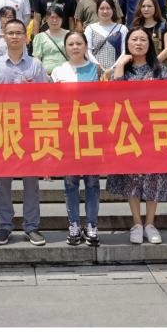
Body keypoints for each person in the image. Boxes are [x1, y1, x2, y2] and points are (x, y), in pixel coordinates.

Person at [105, 29, 167, 243]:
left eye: (143, 39)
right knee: (131, 178)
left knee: (154, 177)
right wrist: (119, 67)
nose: (138, 43)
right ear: (127, 43)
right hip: (128, 131)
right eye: (134, 39)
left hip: (154, 131)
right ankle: (136, 223)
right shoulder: (122, 69)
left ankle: (150, 223)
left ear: (149, 44)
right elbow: (113, 97)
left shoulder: (160, 70)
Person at [0, 17, 49, 246]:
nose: (14, 36)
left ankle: (31, 226)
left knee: (31, 181)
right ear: (3, 36)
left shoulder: (35, 65)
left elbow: (45, 98)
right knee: (3, 181)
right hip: (4, 128)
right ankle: (5, 226)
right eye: (10, 33)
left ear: (26, 37)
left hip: (30, 128)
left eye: (18, 33)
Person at [51, 30, 103, 246]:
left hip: (91, 133)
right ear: (65, 47)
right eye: (71, 44)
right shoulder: (58, 71)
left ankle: (92, 225)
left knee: (92, 182)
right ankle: (73, 224)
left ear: (85, 46)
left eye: (79, 43)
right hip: (67, 134)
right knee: (70, 182)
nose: (75, 47)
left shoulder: (96, 70)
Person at [84, 0, 126, 71]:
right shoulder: (90, 29)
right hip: (95, 70)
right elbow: (87, 51)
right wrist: (98, 66)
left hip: (117, 71)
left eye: (108, 8)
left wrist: (112, 69)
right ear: (97, 10)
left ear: (113, 10)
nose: (105, 11)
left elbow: (124, 51)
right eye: (102, 8)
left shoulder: (122, 28)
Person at [130, 0, 167, 67]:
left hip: (159, 67)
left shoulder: (163, 26)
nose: (146, 9)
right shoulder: (135, 27)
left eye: (149, 6)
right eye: (143, 6)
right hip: (138, 66)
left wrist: (152, 64)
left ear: (155, 8)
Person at [30, 4, 72, 75]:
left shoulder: (70, 35)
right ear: (46, 19)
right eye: (52, 17)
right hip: (47, 75)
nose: (54, 20)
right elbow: (37, 60)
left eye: (57, 17)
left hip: (67, 73)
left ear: (62, 19)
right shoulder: (40, 37)